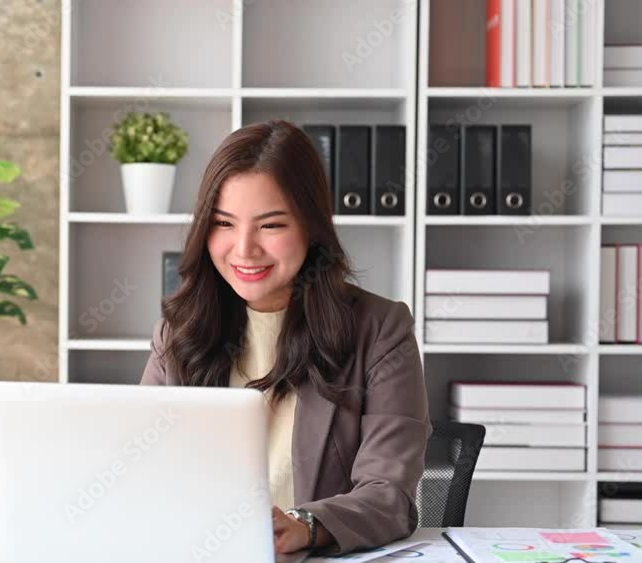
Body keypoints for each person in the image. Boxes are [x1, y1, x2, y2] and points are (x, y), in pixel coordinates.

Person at [140, 120, 431, 556]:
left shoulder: (380, 330)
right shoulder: (180, 330)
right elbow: (141, 473)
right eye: (223, 223)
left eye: (270, 226)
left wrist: (305, 525)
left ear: (311, 227)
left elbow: (389, 496)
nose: (243, 249)